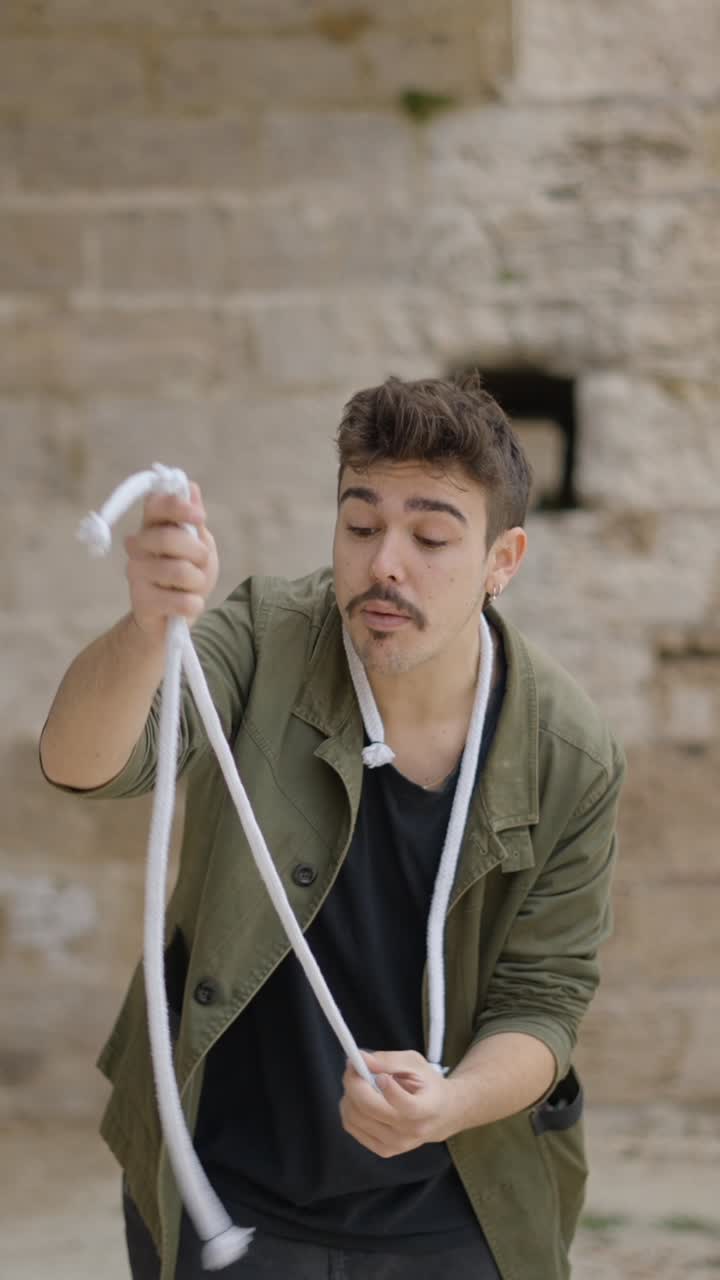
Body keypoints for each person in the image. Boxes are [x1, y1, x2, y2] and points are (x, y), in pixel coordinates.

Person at [40, 373, 625, 1280]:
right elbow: (87, 765)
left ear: (503, 560)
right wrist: (147, 629)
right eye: (360, 525)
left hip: (461, 1208)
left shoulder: (570, 752)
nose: (385, 562)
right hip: (223, 1188)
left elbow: (545, 1004)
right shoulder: (266, 634)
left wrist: (453, 1100)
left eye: (430, 536)